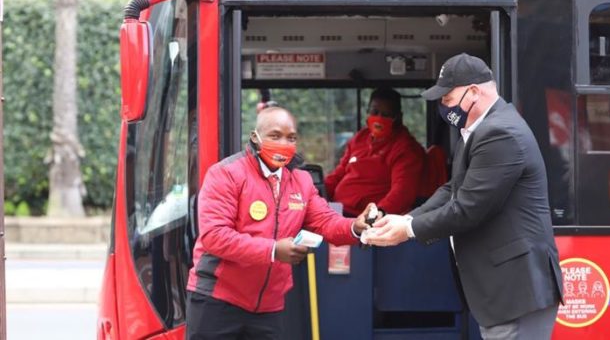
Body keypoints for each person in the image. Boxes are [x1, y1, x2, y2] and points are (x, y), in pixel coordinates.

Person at [366, 54, 563, 340]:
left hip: (516, 290)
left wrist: (407, 230)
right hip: (503, 290)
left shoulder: (499, 133)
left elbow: (468, 208)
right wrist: (408, 217)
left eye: (447, 98)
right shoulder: (477, 129)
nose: (443, 106)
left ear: (473, 92)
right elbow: (453, 188)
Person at [186, 106, 374, 340]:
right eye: (275, 136)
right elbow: (215, 237)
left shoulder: (301, 181)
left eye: (291, 138)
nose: (284, 143)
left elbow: (325, 221)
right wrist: (274, 250)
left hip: (268, 306)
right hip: (217, 299)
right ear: (255, 137)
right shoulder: (226, 174)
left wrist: (354, 227)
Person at [324, 87, 425, 216]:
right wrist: (315, 192)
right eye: (374, 112)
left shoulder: (405, 148)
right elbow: (339, 173)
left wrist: (377, 215)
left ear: (398, 117)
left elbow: (402, 192)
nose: (378, 118)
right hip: (337, 211)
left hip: (366, 218)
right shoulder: (360, 138)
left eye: (386, 114)